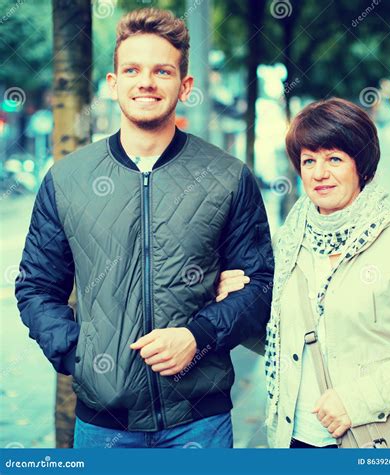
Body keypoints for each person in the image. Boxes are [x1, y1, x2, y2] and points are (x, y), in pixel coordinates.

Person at [15, 8, 273, 449]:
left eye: (162, 71)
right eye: (132, 69)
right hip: (102, 426)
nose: (146, 82)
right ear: (113, 83)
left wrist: (200, 336)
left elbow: (262, 286)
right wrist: (79, 356)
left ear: (184, 86)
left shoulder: (228, 176)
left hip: (201, 421)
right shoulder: (67, 180)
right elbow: (36, 287)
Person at [217, 98, 390, 448]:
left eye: (334, 159)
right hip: (293, 439)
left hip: (373, 436)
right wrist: (237, 307)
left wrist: (355, 401)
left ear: (362, 167)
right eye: (309, 160)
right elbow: (281, 342)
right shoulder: (289, 242)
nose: (319, 173)